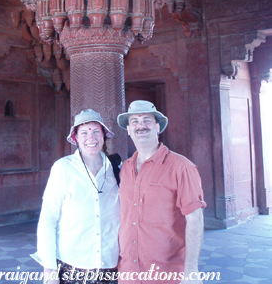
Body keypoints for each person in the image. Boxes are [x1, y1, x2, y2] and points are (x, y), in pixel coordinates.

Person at [117, 100, 206, 284]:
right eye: (134, 121)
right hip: (129, 273)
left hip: (166, 275)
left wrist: (191, 272)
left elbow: (195, 219)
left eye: (146, 120)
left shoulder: (182, 167)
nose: (140, 125)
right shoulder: (125, 168)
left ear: (158, 127)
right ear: (128, 130)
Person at [31, 108, 120, 284]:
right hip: (72, 266)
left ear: (104, 135)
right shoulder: (63, 168)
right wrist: (49, 271)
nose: (91, 138)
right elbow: (48, 220)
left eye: (96, 131)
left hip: (110, 267)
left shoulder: (116, 168)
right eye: (84, 132)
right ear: (76, 138)